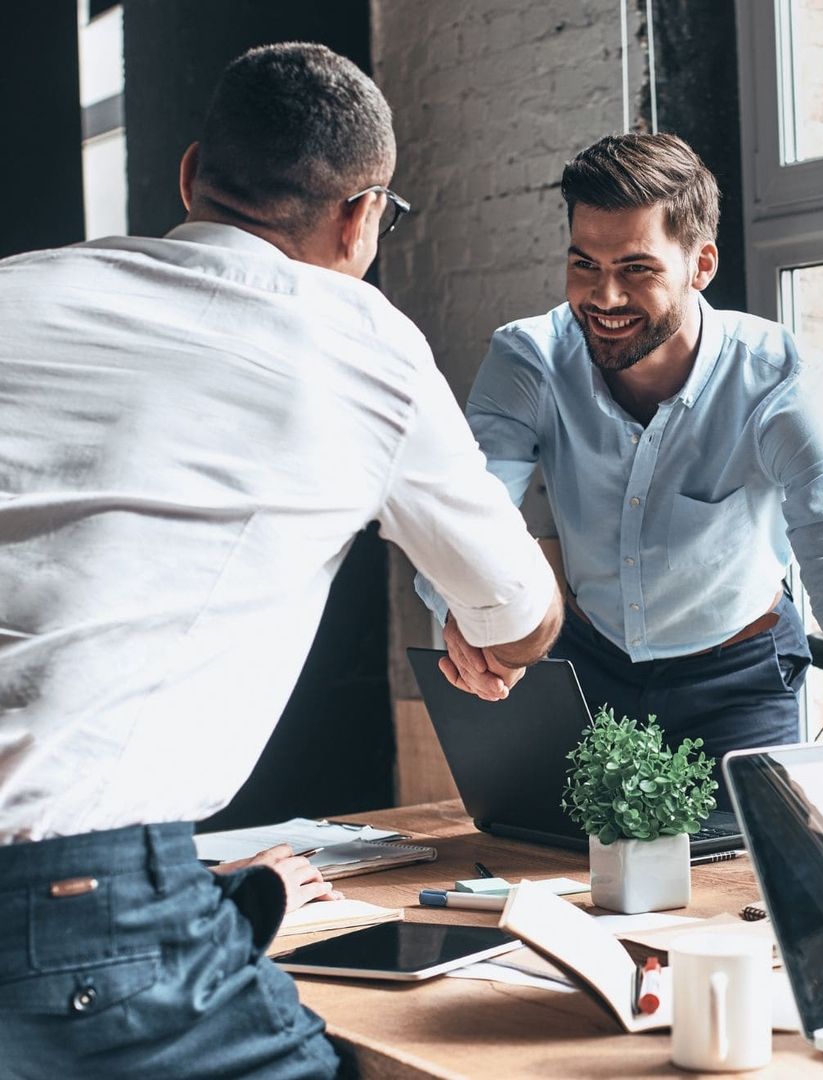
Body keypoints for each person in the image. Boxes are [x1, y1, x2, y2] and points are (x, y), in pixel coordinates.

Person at [0, 43, 560, 1077]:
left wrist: (213, 897)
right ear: (362, 218)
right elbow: (521, 616)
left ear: (190, 175)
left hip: (95, 897)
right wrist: (479, 629)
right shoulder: (357, 340)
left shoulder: (19, 290)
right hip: (76, 911)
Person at [417, 133, 823, 795]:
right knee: (549, 854)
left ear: (700, 265)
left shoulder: (781, 381)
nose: (604, 296)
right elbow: (465, 512)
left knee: (745, 858)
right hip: (587, 665)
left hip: (737, 679)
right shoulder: (529, 359)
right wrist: (462, 615)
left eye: (636, 269)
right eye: (584, 264)